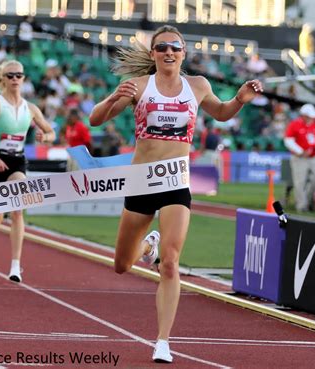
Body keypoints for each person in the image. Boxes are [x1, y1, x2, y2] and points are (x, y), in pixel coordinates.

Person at [89, 25, 263, 363]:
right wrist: (113, 98)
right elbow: (96, 119)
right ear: (153, 54)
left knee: (171, 262)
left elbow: (222, 112)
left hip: (175, 183)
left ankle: (163, 341)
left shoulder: (198, 86)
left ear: (184, 53)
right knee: (122, 265)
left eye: (176, 47)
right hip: (141, 183)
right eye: (162, 47)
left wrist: (239, 100)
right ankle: (148, 246)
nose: (169, 52)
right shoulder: (139, 85)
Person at [0, 60, 56, 283]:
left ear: (24, 78)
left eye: (19, 75)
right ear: (3, 80)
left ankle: (15, 266)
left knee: (18, 209)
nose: (15, 79)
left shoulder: (31, 109)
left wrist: (44, 137)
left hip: (17, 162)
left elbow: (51, 133)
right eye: (10, 75)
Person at [284, 103, 315, 212]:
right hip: (300, 158)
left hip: (313, 156)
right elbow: (288, 141)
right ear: (304, 115)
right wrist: (300, 152)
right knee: (299, 182)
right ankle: (302, 206)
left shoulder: (314, 124)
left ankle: (308, 199)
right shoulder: (294, 124)